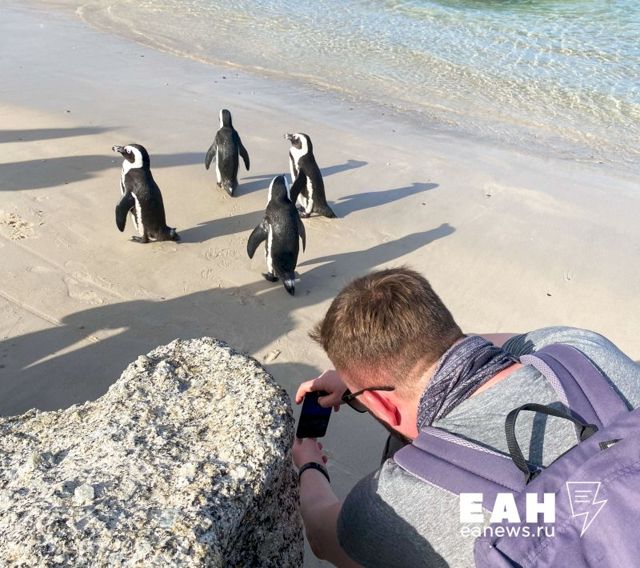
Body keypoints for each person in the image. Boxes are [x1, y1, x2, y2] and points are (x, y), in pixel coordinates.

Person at [292, 266, 640, 567]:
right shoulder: (579, 348)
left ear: (384, 406)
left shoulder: (389, 501)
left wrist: (309, 464)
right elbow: (483, 347)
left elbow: (322, 535)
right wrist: (361, 382)